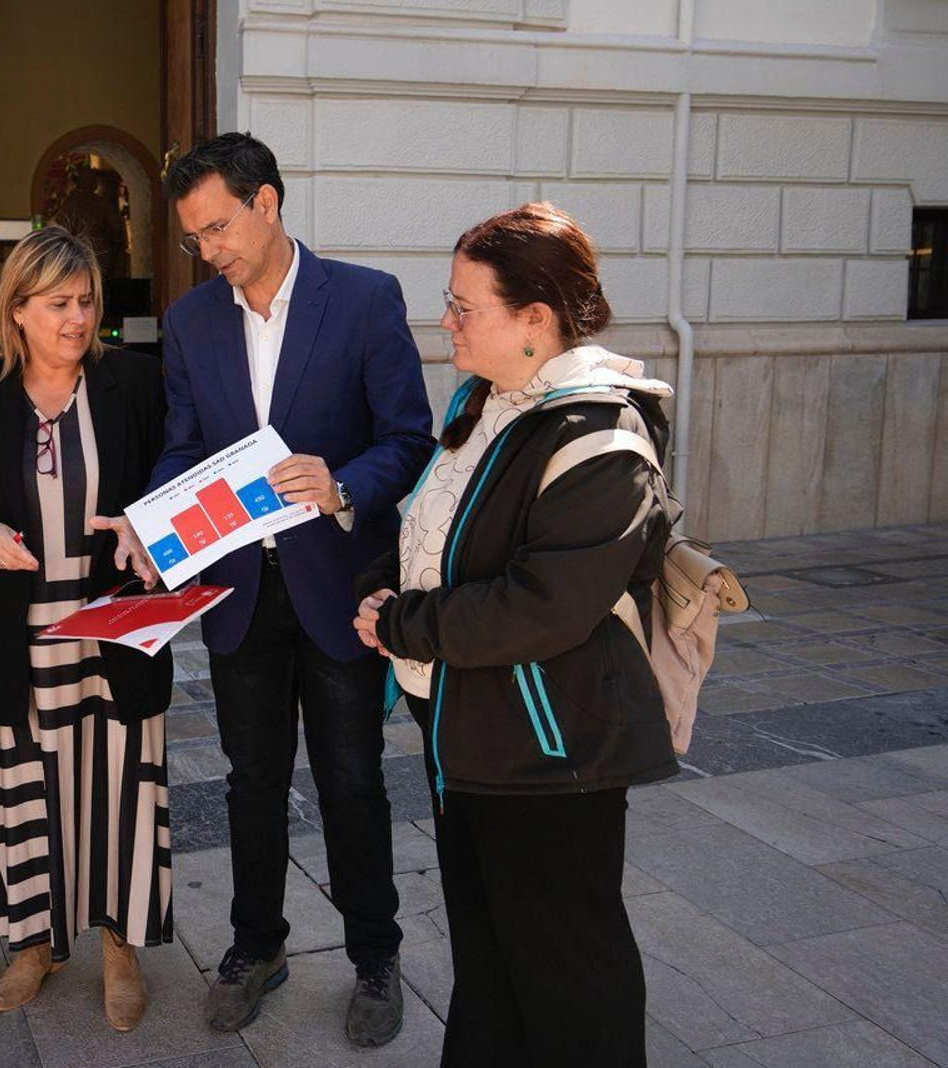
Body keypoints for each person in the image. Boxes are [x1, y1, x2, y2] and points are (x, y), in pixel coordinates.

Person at [100, 132, 435, 1046]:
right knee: (251, 783)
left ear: (269, 203)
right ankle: (258, 948)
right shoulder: (193, 320)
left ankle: (375, 955)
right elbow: (183, 446)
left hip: (337, 584)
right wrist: (151, 518)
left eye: (218, 228)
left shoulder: (365, 300)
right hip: (240, 593)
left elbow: (409, 437)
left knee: (353, 781)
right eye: (195, 238)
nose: (209, 251)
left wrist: (344, 486)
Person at [354, 202, 679, 1065]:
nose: (446, 320)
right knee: (490, 959)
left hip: (550, 750)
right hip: (469, 732)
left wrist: (404, 623)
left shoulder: (601, 436)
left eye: (466, 306)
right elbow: (441, 529)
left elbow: (544, 606)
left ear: (535, 318)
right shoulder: (485, 402)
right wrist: (383, 585)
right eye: (448, 300)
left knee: (571, 970)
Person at [0, 226, 173, 1031]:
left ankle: (120, 945)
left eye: (87, 300)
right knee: (27, 791)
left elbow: (174, 479)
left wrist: (154, 533)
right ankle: (36, 941)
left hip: (116, 633)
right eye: (58, 303)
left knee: (120, 790)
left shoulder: (134, 382)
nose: (78, 318)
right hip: (19, 639)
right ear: (17, 309)